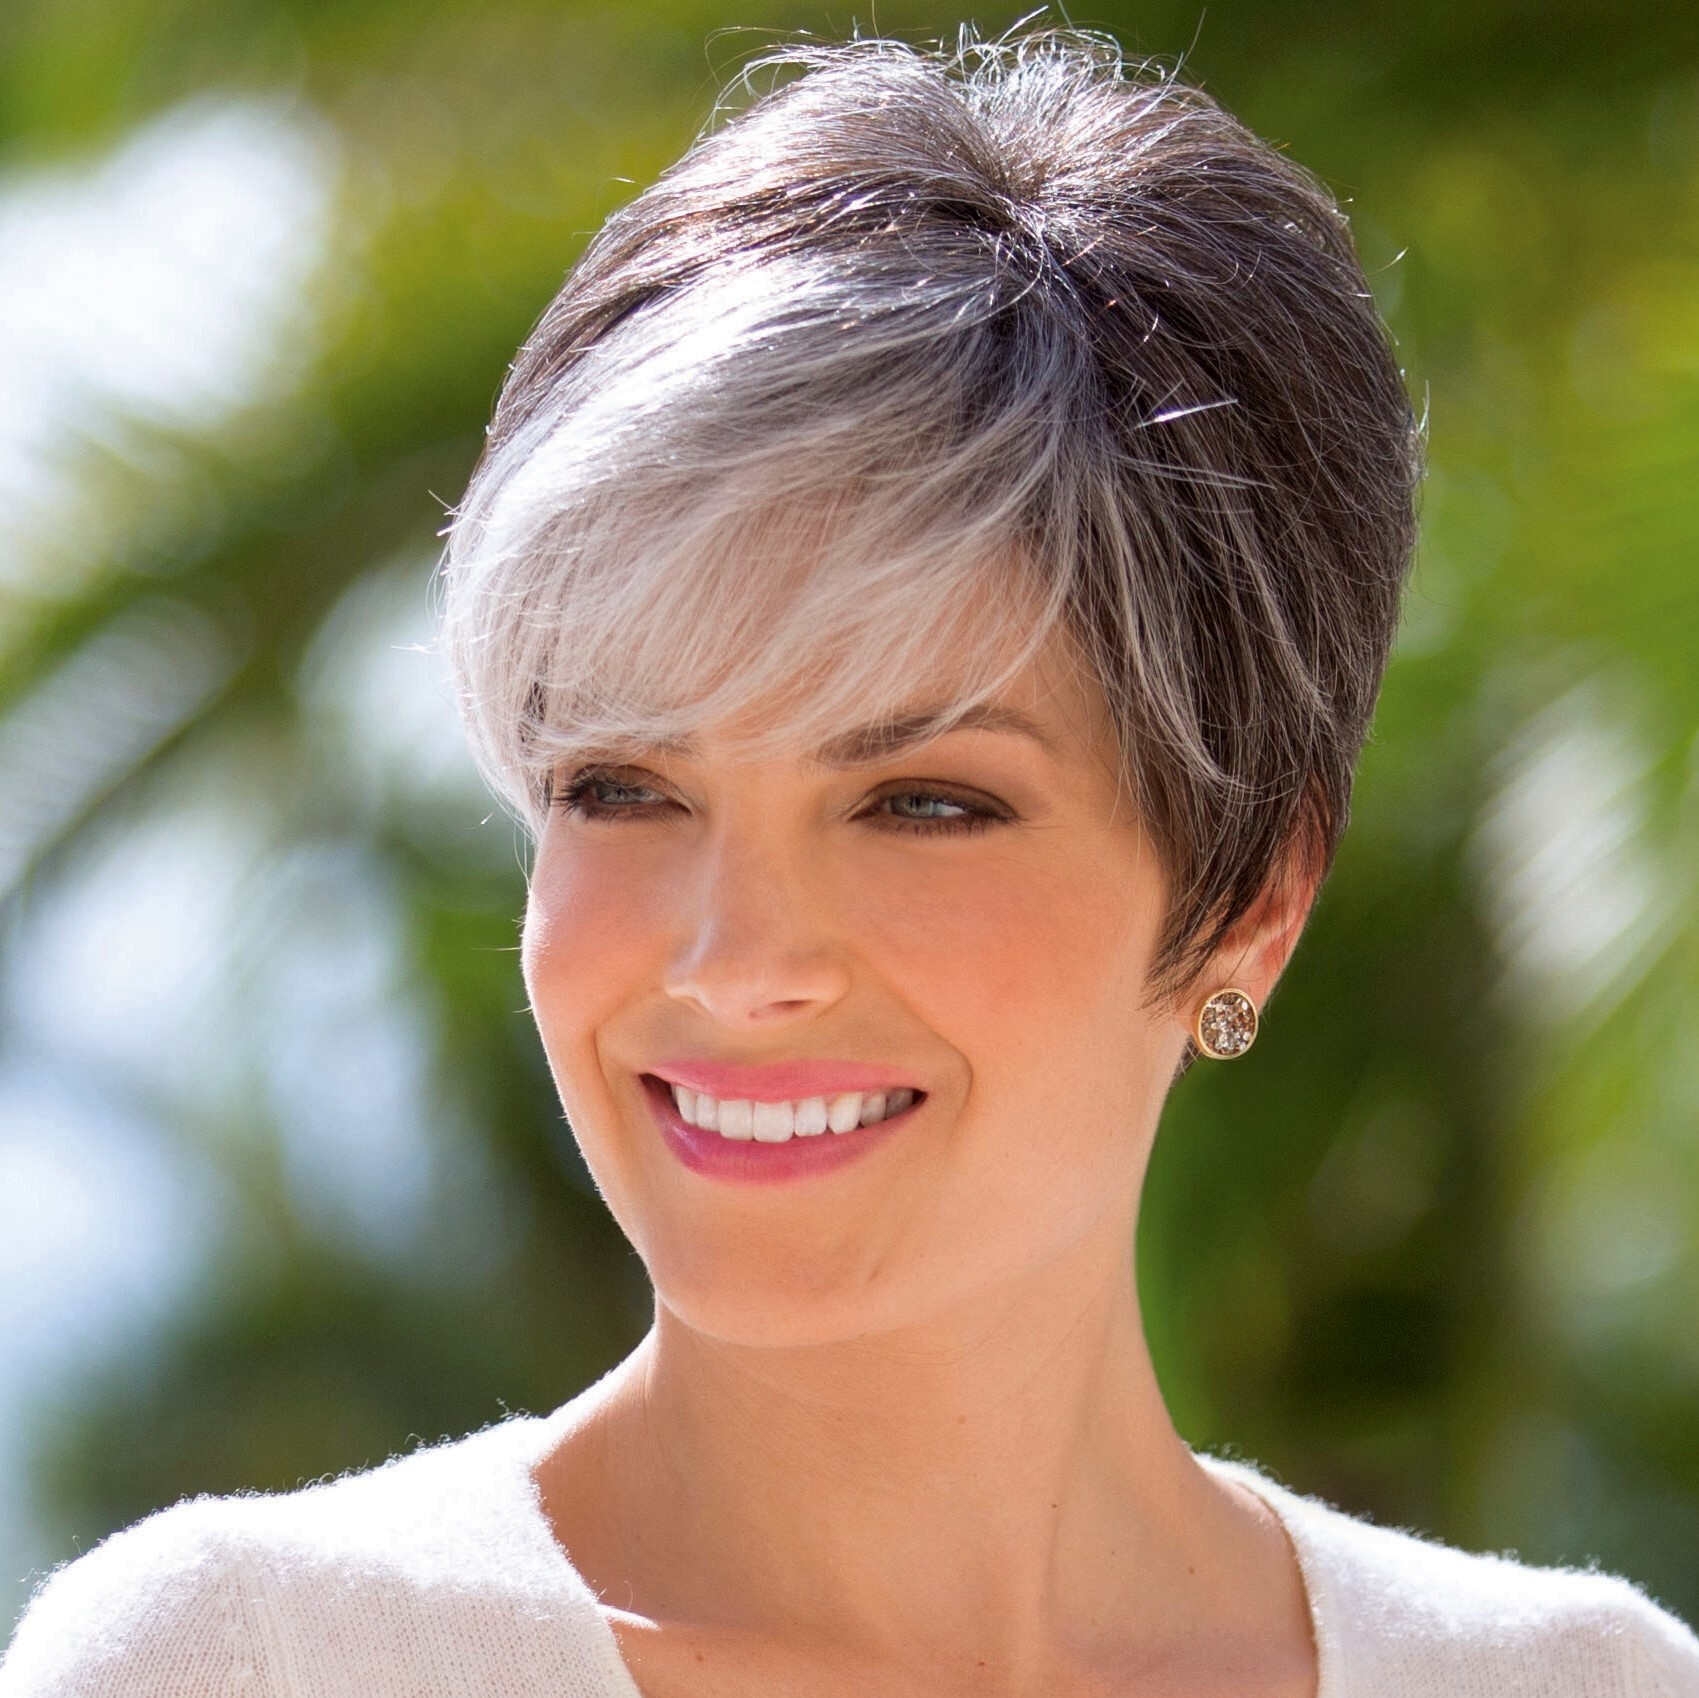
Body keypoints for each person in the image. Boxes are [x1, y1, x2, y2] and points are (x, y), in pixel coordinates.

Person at [4, 27, 1697, 1698]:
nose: (737, 961)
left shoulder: (1583, 1685)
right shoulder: (246, 1663)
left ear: (1252, 898)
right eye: (623, 787)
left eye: (922, 802)